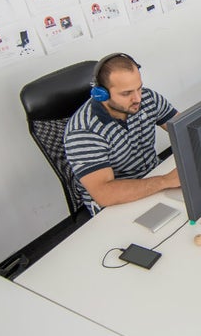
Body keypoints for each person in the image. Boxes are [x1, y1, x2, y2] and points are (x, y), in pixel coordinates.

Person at [64, 53, 181, 216]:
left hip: (154, 177)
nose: (138, 98)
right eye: (126, 93)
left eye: (139, 88)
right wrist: (165, 181)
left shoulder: (147, 98)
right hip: (117, 202)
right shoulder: (83, 131)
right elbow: (105, 193)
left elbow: (185, 128)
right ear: (101, 93)